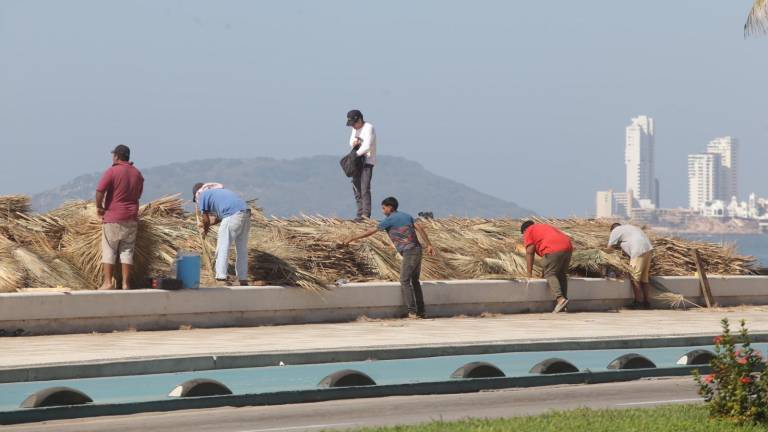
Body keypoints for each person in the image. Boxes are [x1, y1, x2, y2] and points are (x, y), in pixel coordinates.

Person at [343, 197, 435, 318]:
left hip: (409, 252)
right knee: (415, 281)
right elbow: (420, 228)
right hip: (417, 250)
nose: (382, 210)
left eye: (383, 208)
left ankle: (412, 311)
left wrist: (353, 238)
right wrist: (429, 244)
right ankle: (421, 311)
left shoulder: (389, 220)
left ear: (390, 207)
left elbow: (371, 231)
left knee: (404, 280)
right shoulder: (406, 216)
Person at [95, 145, 144, 290]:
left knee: (110, 249)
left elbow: (100, 191)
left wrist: (99, 207)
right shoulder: (137, 174)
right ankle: (125, 283)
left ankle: (107, 283)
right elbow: (138, 194)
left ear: (116, 156)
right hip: (131, 217)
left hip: (114, 217)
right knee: (127, 251)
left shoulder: (112, 171)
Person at [193, 183, 251, 286]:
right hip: (245, 213)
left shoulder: (202, 195)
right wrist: (207, 224)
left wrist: (204, 231)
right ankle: (242, 279)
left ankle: (221, 277)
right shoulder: (217, 192)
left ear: (196, 193)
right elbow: (219, 218)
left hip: (232, 215)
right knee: (242, 248)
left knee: (223, 246)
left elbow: (205, 218)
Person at [521, 220, 573, 313]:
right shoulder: (543, 227)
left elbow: (530, 252)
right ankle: (564, 305)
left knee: (549, 273)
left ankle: (560, 299)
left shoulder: (528, 231)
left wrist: (529, 274)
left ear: (524, 231)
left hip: (553, 248)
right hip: (567, 246)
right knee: (561, 274)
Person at [608, 223, 654, 309]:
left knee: (634, 276)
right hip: (649, 249)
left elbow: (609, 247)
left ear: (612, 229)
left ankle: (638, 302)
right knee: (644, 278)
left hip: (638, 250)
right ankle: (647, 303)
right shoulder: (631, 228)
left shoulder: (615, 230)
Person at [346, 109, 377, 221]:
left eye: (354, 124)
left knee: (364, 188)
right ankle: (359, 214)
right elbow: (351, 141)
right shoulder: (355, 129)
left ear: (359, 120)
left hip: (367, 161)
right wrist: (354, 144)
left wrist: (355, 155)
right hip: (357, 162)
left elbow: (367, 146)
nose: (353, 127)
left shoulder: (369, 127)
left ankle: (365, 215)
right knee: (356, 188)